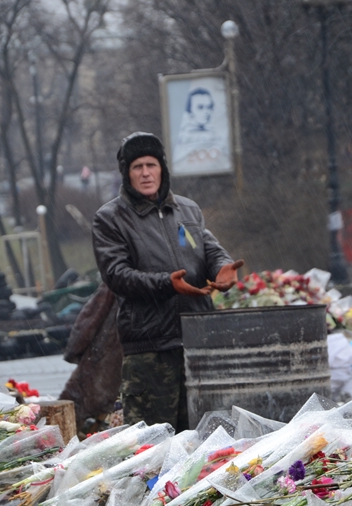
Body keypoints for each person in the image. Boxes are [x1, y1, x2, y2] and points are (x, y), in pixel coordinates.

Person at [91, 132, 243, 431]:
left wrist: (223, 267)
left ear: (162, 168)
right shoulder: (110, 218)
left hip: (198, 343)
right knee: (155, 447)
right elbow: (117, 276)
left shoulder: (187, 210)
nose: (146, 173)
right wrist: (166, 284)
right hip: (150, 350)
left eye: (151, 164)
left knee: (207, 440)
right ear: (127, 174)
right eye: (137, 167)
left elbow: (209, 249)